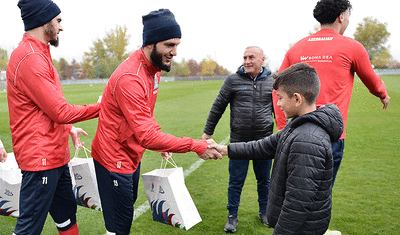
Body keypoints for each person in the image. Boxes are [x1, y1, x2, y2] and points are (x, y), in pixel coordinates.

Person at [91, 9, 222, 235]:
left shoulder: (154, 69)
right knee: (119, 227)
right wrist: (197, 145)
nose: (175, 52)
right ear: (151, 43)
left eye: (177, 44)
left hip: (131, 154)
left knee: (124, 215)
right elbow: (147, 136)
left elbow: (145, 114)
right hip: (113, 159)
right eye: (169, 45)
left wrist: (164, 143)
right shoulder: (131, 77)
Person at [211, 63, 344, 235]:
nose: (278, 104)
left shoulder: (307, 140)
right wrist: (225, 150)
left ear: (297, 99)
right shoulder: (298, 126)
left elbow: (297, 204)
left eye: (280, 98)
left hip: (301, 229)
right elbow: (263, 146)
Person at [7, 0, 101, 234]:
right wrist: (103, 107)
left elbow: (47, 107)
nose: (61, 27)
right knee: (29, 228)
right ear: (42, 21)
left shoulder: (40, 53)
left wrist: (69, 127)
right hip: (41, 161)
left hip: (55, 157)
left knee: (66, 217)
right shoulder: (29, 57)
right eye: (58, 21)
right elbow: (60, 111)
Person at [273, 0, 390, 186]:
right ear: (341, 17)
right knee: (319, 196)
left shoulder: (296, 48)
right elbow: (371, 79)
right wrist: (382, 94)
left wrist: (282, 127)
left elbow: (277, 89)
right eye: (349, 16)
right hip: (330, 135)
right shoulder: (352, 47)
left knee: (292, 190)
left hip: (295, 132)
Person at [202, 46, 274, 233]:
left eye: (251, 57)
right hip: (239, 142)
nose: (247, 61)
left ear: (262, 59)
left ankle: (264, 212)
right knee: (235, 181)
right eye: (244, 57)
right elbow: (218, 106)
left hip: (264, 141)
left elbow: (280, 108)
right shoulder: (232, 80)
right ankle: (232, 216)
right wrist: (207, 132)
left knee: (265, 180)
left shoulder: (273, 80)